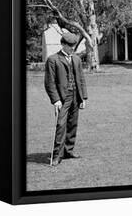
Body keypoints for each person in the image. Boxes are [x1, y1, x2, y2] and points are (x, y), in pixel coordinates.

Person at [44, 32, 88, 166]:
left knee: (73, 124)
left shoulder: (77, 59)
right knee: (61, 125)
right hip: (62, 98)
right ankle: (57, 155)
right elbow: (49, 82)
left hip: (76, 96)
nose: (72, 48)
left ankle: (68, 151)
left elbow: (81, 79)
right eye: (69, 45)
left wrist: (83, 97)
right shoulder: (53, 59)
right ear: (62, 44)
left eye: (73, 45)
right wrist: (55, 100)